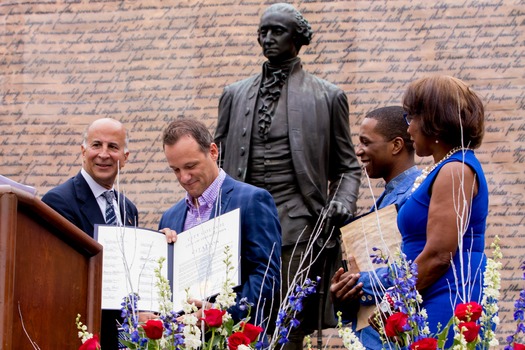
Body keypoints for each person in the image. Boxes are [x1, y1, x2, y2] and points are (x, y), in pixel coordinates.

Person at [214, 4, 361, 347]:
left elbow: (348, 166)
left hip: (297, 224)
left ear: (298, 38)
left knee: (288, 321)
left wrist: (341, 200)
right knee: (236, 317)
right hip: (239, 223)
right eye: (263, 32)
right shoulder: (234, 95)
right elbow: (215, 161)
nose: (267, 39)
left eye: (277, 31)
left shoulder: (328, 96)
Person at [158, 118, 281, 330]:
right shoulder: (170, 217)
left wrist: (220, 315)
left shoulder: (253, 200)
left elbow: (267, 278)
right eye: (175, 170)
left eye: (190, 166)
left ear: (213, 152)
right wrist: (159, 254)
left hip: (236, 337)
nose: (184, 177)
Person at [398, 75, 487, 347]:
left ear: (433, 120)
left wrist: (393, 301)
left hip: (446, 296)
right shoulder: (444, 167)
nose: (409, 129)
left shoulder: (455, 169)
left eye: (411, 117)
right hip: (427, 292)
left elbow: (438, 255)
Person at [42, 117, 139, 349]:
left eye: (113, 147)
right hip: (82, 333)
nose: (104, 154)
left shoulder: (128, 209)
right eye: (97, 145)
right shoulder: (59, 201)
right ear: (83, 151)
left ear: (124, 158)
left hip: (123, 335)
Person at [329, 106, 421, 349]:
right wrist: (343, 293)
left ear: (396, 145)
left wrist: (358, 283)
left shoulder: (415, 196)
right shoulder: (387, 197)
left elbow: (415, 267)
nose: (358, 151)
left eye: (366, 143)